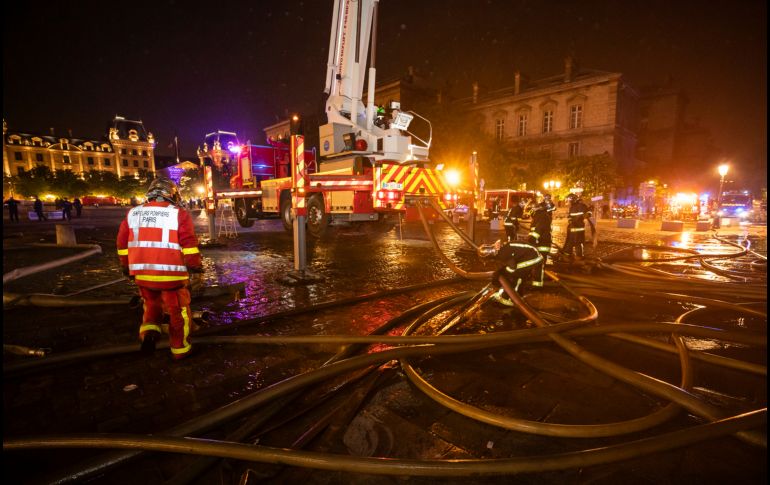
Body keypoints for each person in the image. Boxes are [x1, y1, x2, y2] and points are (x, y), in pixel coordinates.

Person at [117, 178, 203, 360]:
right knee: (178, 312)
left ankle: (148, 333)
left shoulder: (133, 213)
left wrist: (126, 266)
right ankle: (180, 349)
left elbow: (122, 244)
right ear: (172, 194)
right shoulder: (178, 214)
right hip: (171, 276)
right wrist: (195, 266)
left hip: (142, 274)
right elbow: (189, 244)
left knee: (151, 306)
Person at [477, 238, 544, 305]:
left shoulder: (502, 254)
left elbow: (512, 267)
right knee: (513, 272)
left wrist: (504, 273)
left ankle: (510, 299)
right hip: (530, 254)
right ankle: (518, 293)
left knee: (516, 275)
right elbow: (509, 261)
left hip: (534, 258)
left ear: (489, 256)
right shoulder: (501, 249)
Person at [528, 196, 554, 283]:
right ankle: (535, 280)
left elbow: (538, 230)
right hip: (539, 243)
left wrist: (531, 239)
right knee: (537, 263)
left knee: (539, 264)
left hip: (542, 244)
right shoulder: (540, 216)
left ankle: (537, 284)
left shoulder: (541, 216)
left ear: (533, 210)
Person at [562, 193, 594, 261]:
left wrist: (587, 214)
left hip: (578, 228)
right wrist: (570, 220)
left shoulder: (581, 205)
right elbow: (571, 216)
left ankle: (579, 257)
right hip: (572, 227)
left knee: (578, 242)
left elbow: (589, 212)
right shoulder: (573, 206)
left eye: (569, 200)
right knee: (570, 242)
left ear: (572, 200)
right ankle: (567, 255)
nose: (568, 202)